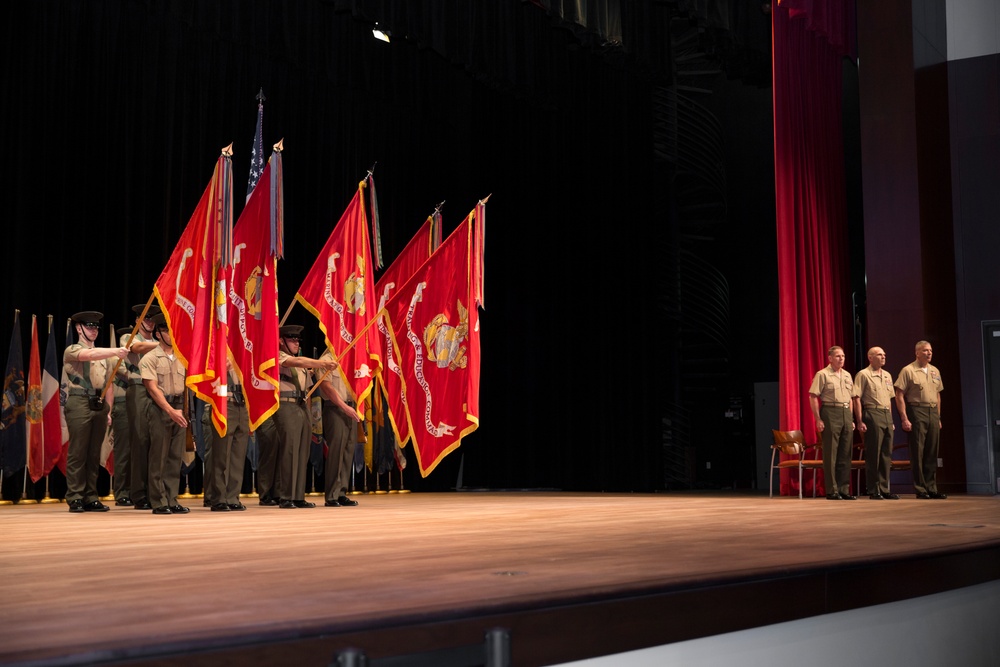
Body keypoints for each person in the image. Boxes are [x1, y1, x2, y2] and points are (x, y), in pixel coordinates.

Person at [62, 311, 128, 513]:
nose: (94, 331)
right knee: (78, 452)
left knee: (93, 454)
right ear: (78, 328)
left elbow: (108, 384)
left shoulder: (104, 356)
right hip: (80, 401)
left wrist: (107, 410)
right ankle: (75, 496)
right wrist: (115, 351)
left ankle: (91, 496)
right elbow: (88, 355)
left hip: (99, 404)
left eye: (96, 328)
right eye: (89, 327)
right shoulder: (72, 349)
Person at [273, 325, 338, 509]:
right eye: (292, 339)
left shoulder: (301, 363)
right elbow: (298, 362)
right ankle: (286, 496)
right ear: (281, 341)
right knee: (289, 452)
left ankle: (298, 495)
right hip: (286, 405)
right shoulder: (278, 355)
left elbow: (308, 389)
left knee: (302, 452)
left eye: (297, 340)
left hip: (302, 407)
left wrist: (309, 413)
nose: (296, 343)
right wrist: (322, 363)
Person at [139, 313, 190, 514]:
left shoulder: (182, 356)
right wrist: (170, 411)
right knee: (158, 456)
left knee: (175, 457)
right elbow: (152, 388)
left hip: (179, 408)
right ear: (159, 334)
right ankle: (158, 501)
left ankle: (171, 498)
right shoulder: (150, 358)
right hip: (161, 409)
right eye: (168, 330)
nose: (172, 334)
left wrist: (183, 412)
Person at [894, 340, 946, 499]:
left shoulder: (934, 371)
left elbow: (938, 395)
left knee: (932, 451)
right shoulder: (908, 370)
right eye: (925, 351)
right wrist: (904, 417)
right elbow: (899, 394)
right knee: (918, 451)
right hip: (916, 410)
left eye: (930, 350)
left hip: (932, 411)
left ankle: (932, 487)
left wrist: (938, 416)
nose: (929, 353)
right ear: (917, 353)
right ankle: (920, 488)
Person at [121, 304, 161, 510]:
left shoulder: (158, 341)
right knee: (140, 439)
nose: (151, 323)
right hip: (138, 389)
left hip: (157, 390)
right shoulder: (130, 338)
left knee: (157, 442)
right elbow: (137, 349)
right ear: (137, 321)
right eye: (146, 319)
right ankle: (138, 493)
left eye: (153, 320)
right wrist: (163, 344)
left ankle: (155, 492)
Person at [808, 345, 856, 500]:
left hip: (845, 412)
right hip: (830, 411)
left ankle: (844, 489)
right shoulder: (823, 374)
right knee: (831, 453)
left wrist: (851, 418)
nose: (841, 359)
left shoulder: (848, 375)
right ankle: (832, 490)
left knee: (845, 453)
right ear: (830, 358)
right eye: (837, 356)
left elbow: (851, 397)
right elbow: (813, 396)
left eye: (842, 356)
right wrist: (818, 419)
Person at [853, 346, 899, 500]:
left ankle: (885, 488)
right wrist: (859, 420)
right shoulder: (863, 374)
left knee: (886, 453)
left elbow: (890, 399)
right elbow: (857, 398)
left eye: (884, 354)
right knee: (874, 453)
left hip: (886, 414)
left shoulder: (887, 375)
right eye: (880, 354)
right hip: (872, 412)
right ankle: (874, 489)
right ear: (870, 357)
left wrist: (891, 419)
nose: (883, 356)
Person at [317, 347, 362, 507]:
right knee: (336, 452)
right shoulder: (327, 358)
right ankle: (332, 495)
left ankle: (342, 492)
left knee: (348, 451)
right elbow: (326, 387)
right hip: (335, 408)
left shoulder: (352, 357)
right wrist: (344, 407)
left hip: (351, 408)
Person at [204, 362, 250, 511]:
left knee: (238, 455)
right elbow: (205, 375)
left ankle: (232, 497)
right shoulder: (215, 351)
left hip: (242, 405)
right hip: (223, 403)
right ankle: (218, 498)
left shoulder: (243, 350)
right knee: (221, 454)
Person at [110, 326, 134, 505]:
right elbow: (128, 375)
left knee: (140, 449)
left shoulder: (141, 358)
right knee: (124, 451)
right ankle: (121, 492)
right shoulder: (115, 358)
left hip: (140, 402)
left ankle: (137, 489)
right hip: (123, 403)